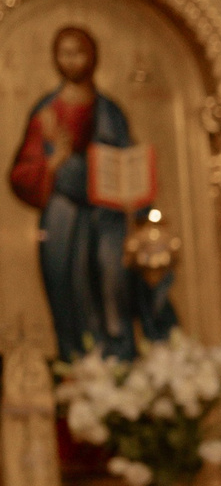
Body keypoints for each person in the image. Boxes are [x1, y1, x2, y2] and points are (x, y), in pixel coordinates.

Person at [8, 24, 176, 360]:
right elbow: (21, 174)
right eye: (64, 53)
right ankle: (76, 368)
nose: (72, 60)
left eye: (79, 52)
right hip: (63, 218)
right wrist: (53, 164)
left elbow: (127, 163)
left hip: (108, 217)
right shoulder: (46, 113)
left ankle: (120, 362)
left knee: (114, 287)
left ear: (93, 56)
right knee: (70, 294)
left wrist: (140, 207)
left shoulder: (110, 111)